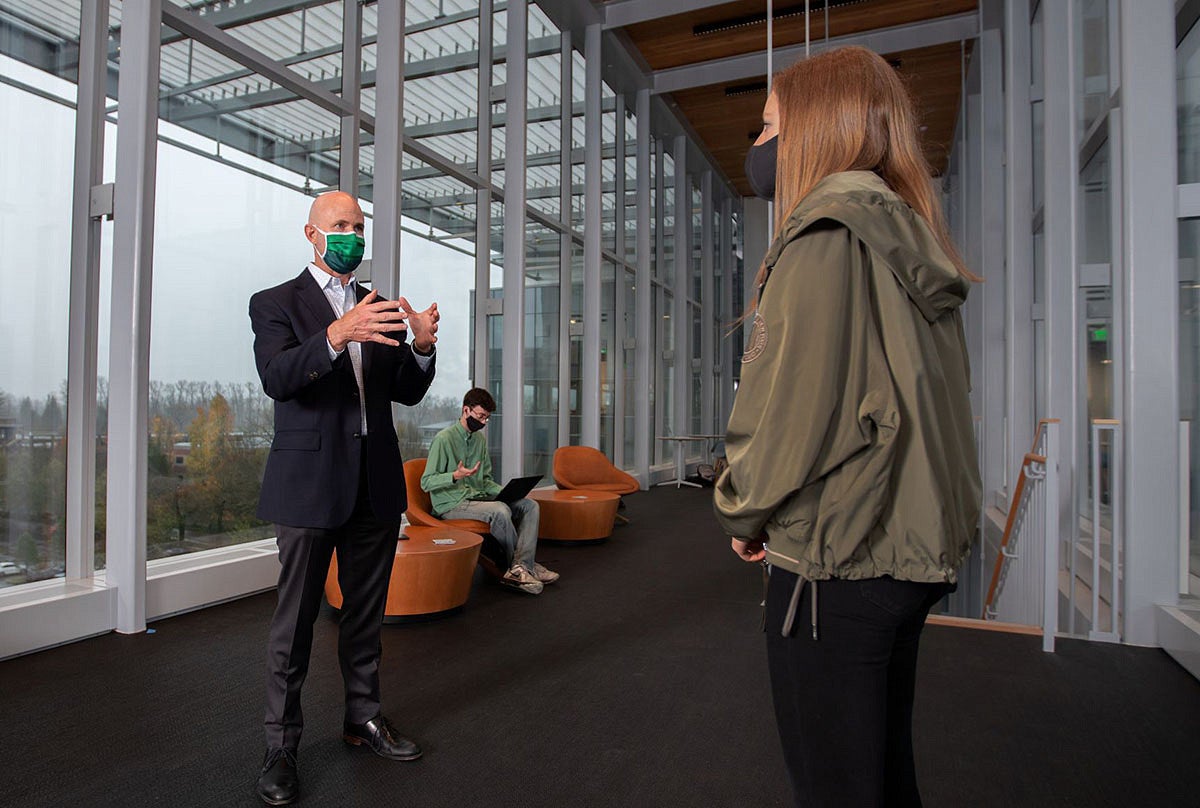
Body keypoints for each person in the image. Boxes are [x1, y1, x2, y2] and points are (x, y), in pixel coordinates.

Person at [714, 46, 982, 808]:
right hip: (904, 552)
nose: (759, 149)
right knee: (880, 774)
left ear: (815, 134)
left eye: (768, 128)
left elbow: (791, 414)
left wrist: (743, 507)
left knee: (834, 783)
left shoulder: (825, 236)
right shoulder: (902, 239)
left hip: (839, 559)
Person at [249, 190, 440, 806]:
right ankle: (281, 747)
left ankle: (363, 718)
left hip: (374, 484)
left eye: (358, 226)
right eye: (340, 225)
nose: (352, 235)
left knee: (365, 617)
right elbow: (278, 378)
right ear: (312, 235)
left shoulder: (377, 306)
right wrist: (335, 335)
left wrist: (422, 345)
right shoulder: (276, 303)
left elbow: (405, 392)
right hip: (308, 488)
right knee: (296, 624)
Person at [421, 388, 559, 595]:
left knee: (529, 505)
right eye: (481, 416)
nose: (484, 422)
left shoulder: (479, 441)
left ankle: (522, 565)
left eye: (487, 418)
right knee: (500, 510)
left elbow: (485, 481)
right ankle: (523, 567)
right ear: (466, 410)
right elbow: (426, 482)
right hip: (451, 503)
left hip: (477, 498)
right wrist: (454, 475)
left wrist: (508, 491)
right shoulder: (443, 439)